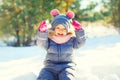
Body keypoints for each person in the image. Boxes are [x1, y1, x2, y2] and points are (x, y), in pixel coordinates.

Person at [36, 9, 86, 80]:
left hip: (67, 66)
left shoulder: (71, 39)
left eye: (64, 28)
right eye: (58, 27)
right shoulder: (50, 39)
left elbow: (81, 43)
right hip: (50, 68)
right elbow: (41, 43)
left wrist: (79, 30)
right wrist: (42, 32)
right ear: (53, 28)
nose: (60, 30)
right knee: (44, 77)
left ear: (68, 29)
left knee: (67, 77)